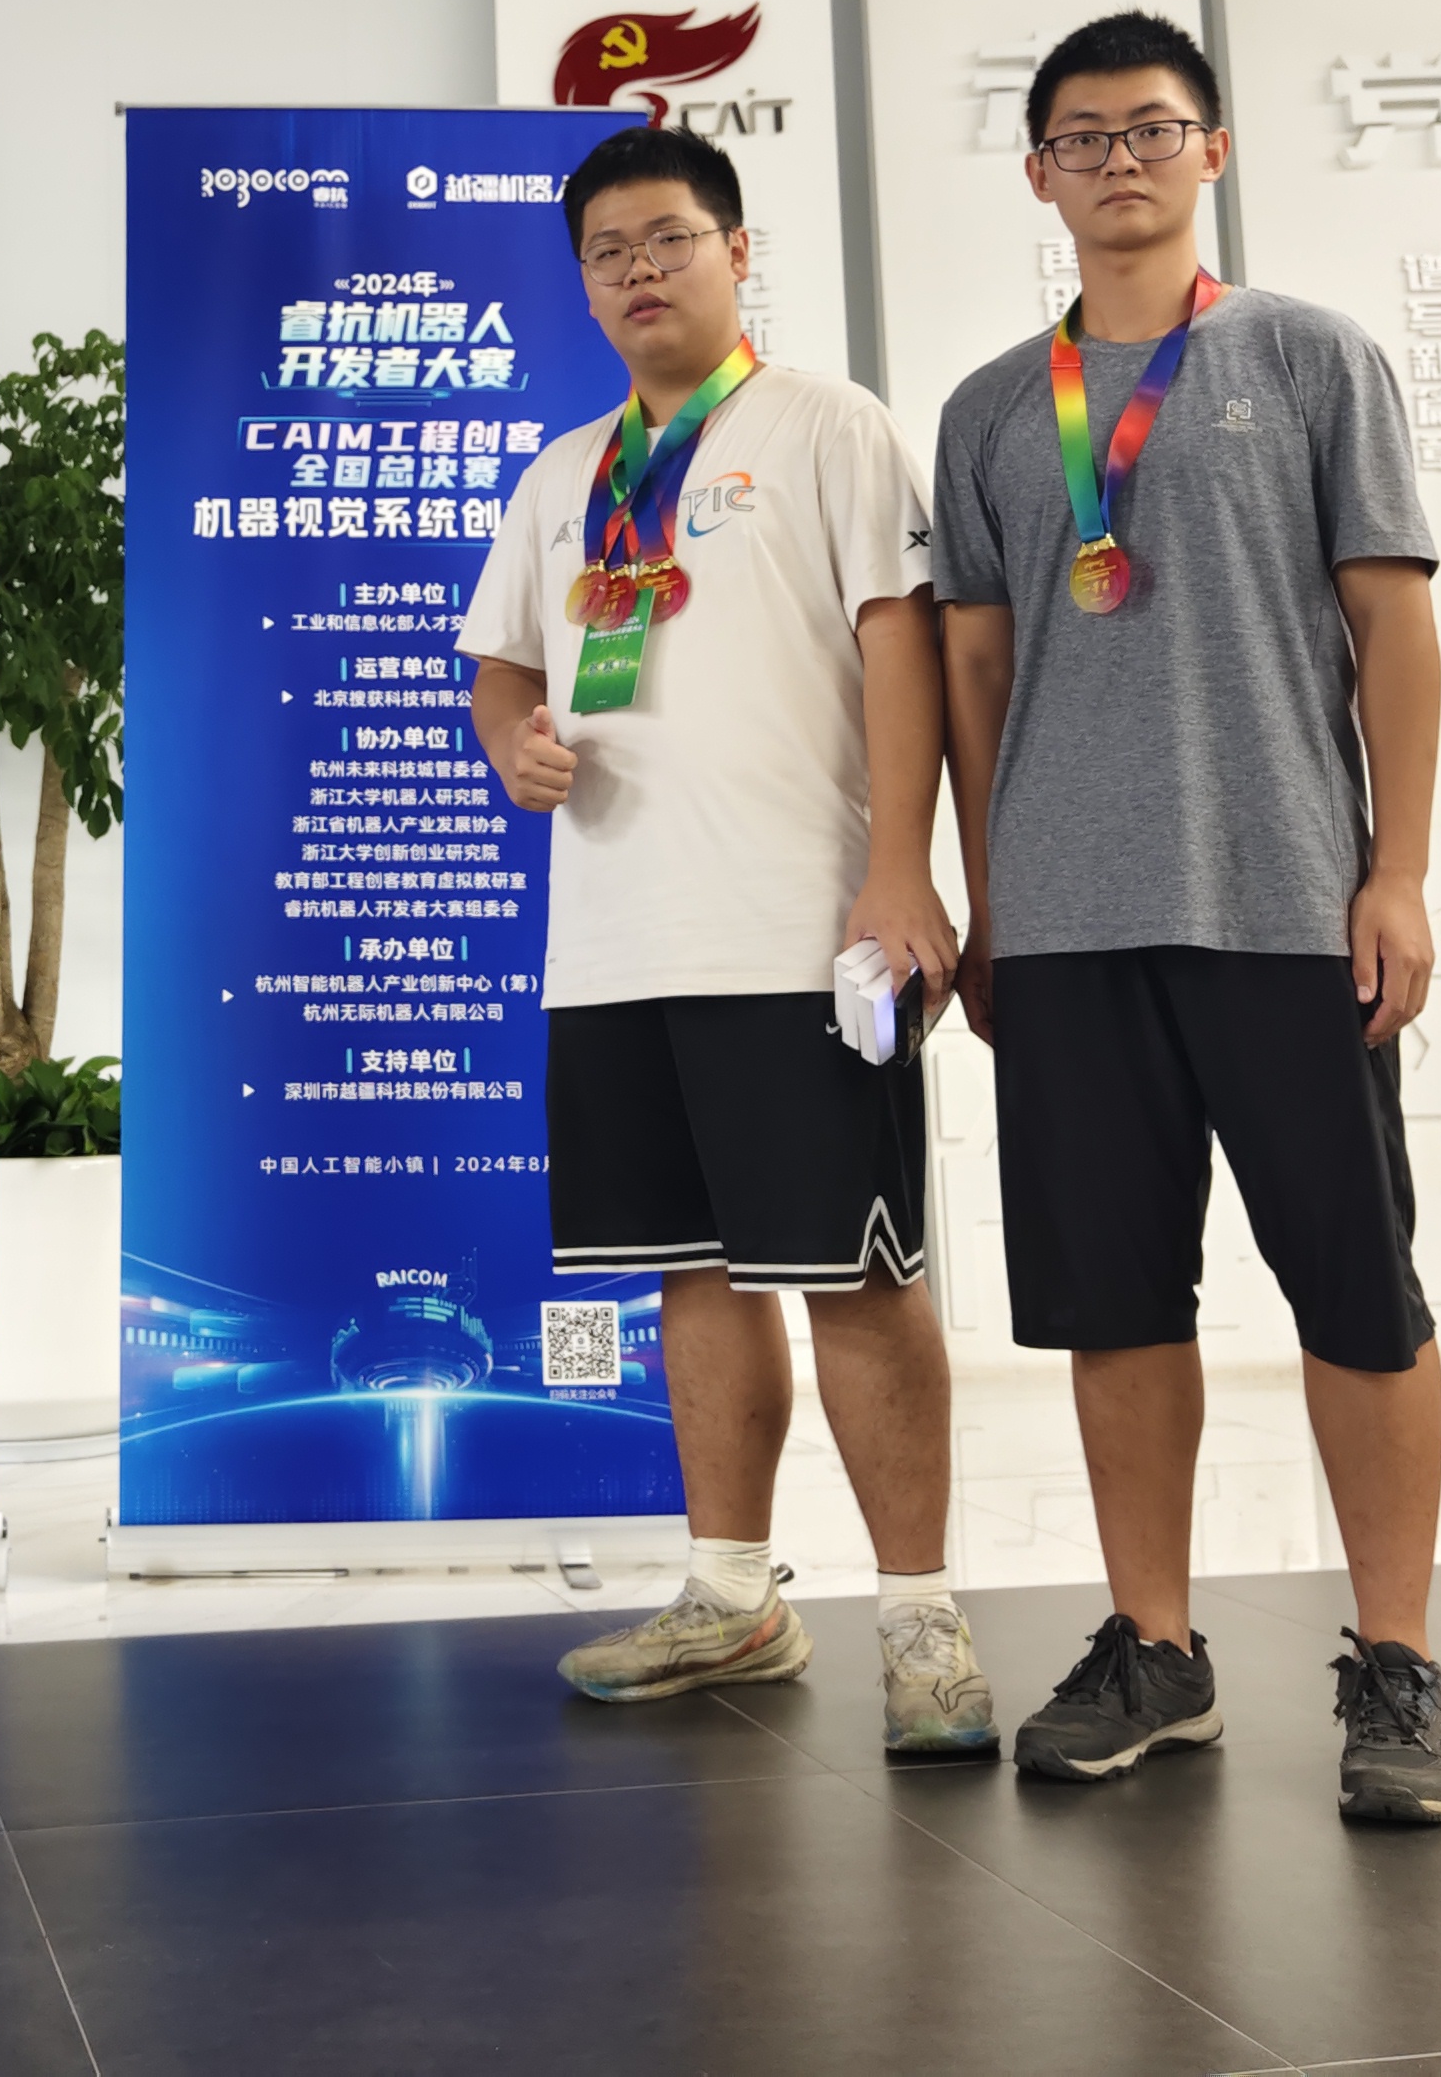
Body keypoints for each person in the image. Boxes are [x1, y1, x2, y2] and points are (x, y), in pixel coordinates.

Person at [930, 10, 1441, 1827]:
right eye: (1082, 138)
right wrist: (990, 902)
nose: (1119, 161)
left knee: (1360, 1294)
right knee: (1115, 1301)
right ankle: (1155, 1650)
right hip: (1068, 930)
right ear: (1039, 175)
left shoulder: (1311, 357)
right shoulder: (991, 410)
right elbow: (976, 669)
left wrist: (1396, 870)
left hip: (1285, 904)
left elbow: (1393, 625)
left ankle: (1398, 1662)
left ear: (1212, 150)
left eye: (1151, 128)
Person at [459, 123, 992, 1759]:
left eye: (669, 239)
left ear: (738, 251)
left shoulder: (828, 426)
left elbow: (901, 643)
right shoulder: (562, 473)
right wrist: (512, 743)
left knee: (860, 1274)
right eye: (608, 252)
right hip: (616, 945)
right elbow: (503, 662)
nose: (640, 271)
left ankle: (923, 1620)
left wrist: (901, 871)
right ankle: (731, 1595)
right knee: (693, 1271)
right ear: (582, 284)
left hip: (800, 934)